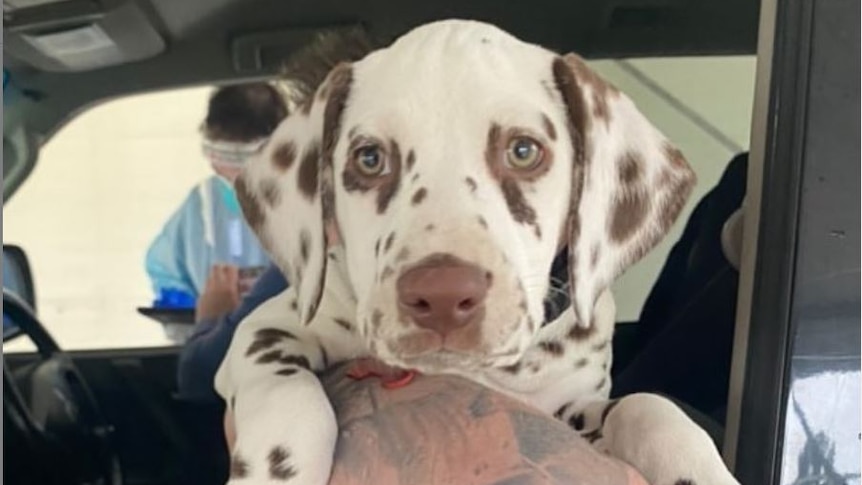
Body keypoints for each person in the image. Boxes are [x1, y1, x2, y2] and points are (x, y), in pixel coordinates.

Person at [144, 82, 288, 342]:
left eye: (244, 160)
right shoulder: (201, 203)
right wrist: (194, 314)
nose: (234, 175)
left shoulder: (307, 201)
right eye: (222, 157)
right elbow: (165, 270)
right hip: (218, 345)